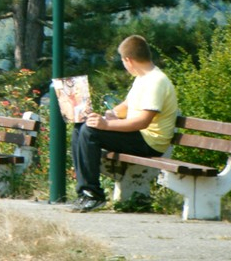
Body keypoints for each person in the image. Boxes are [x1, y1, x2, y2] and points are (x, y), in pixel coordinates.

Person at [70, 34, 178, 212]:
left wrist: (105, 125)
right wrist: (110, 114)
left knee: (90, 132)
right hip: (139, 136)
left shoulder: (156, 82)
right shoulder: (142, 78)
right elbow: (128, 105)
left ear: (128, 60)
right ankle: (85, 192)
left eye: (123, 61)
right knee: (80, 127)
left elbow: (142, 122)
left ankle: (93, 194)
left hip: (151, 142)